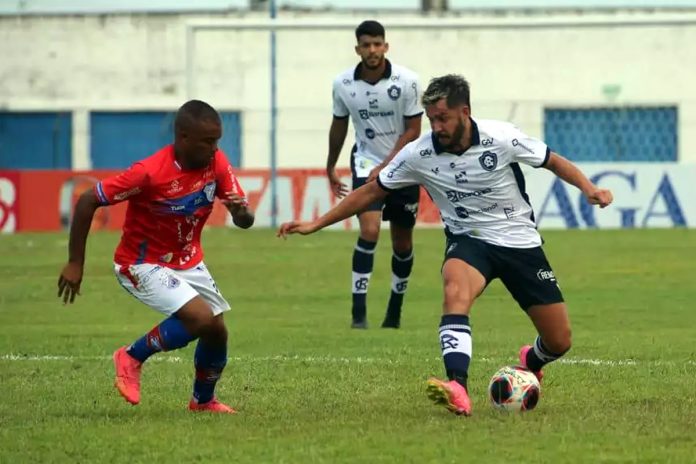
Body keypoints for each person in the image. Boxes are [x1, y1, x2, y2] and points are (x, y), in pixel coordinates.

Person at [279, 74, 613, 416]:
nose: (436, 126)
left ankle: (532, 359)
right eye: (431, 119)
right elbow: (371, 190)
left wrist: (589, 189)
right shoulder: (418, 154)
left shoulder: (502, 137)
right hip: (469, 241)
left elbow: (552, 160)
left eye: (443, 118)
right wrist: (318, 223)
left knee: (560, 341)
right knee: (455, 289)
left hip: (519, 242)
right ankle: (457, 385)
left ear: (464, 112)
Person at [57, 100, 254, 414]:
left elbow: (245, 220)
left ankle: (203, 402)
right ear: (184, 137)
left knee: (217, 331)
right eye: (207, 141)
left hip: (187, 260)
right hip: (141, 263)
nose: (215, 149)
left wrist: (241, 212)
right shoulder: (148, 173)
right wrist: (75, 262)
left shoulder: (215, 163)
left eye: (217, 141)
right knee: (200, 318)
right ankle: (131, 356)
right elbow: (87, 200)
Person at [327, 20, 424, 329]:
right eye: (366, 45)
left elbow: (413, 130)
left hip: (405, 166)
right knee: (369, 230)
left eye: (377, 44)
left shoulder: (408, 81)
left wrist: (389, 165)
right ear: (358, 49)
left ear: (386, 46)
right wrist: (330, 165)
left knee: (402, 244)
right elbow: (339, 124)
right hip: (366, 164)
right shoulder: (343, 84)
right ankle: (358, 315)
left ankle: (394, 312)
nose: (372, 50)